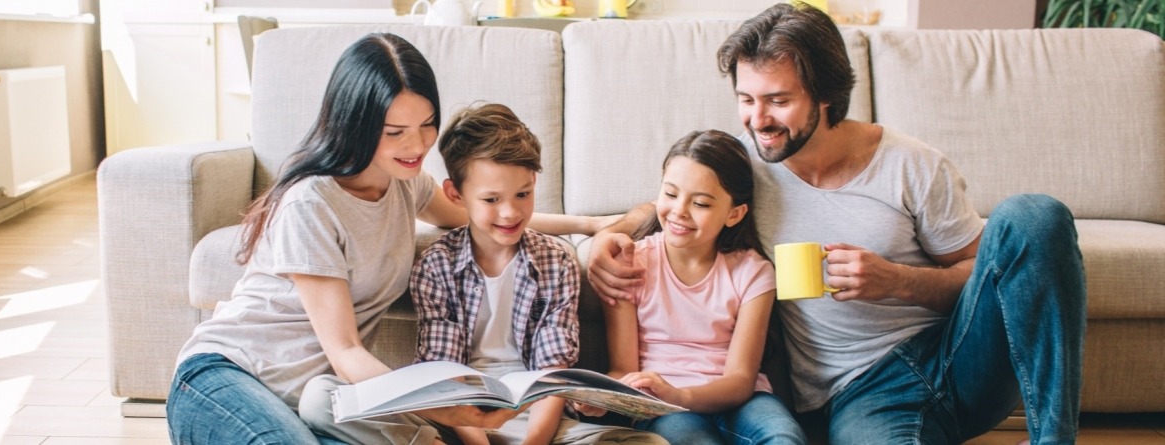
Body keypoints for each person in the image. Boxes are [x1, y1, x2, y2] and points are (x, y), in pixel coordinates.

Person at [585, 4, 1087, 445]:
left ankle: (1054, 439)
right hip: (861, 392)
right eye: (746, 99)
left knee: (1033, 216)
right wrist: (616, 233)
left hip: (957, 359)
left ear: (826, 94)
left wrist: (898, 281)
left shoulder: (912, 166)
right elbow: (678, 204)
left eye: (778, 101)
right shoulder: (754, 167)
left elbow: (986, 275)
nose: (758, 120)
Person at [166, 33, 605, 445]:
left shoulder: (406, 182)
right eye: (395, 132)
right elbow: (346, 352)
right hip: (229, 377)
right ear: (355, 124)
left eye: (426, 124)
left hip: (320, 403)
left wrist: (591, 226)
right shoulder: (311, 205)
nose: (416, 146)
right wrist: (447, 410)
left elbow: (487, 213)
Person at [578, 130, 806, 444]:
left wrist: (680, 393)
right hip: (663, 407)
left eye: (700, 203)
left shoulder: (754, 272)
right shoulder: (629, 265)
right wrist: (601, 399)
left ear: (734, 214)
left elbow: (740, 381)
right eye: (670, 194)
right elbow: (622, 370)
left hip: (742, 400)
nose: (679, 211)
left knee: (783, 436)